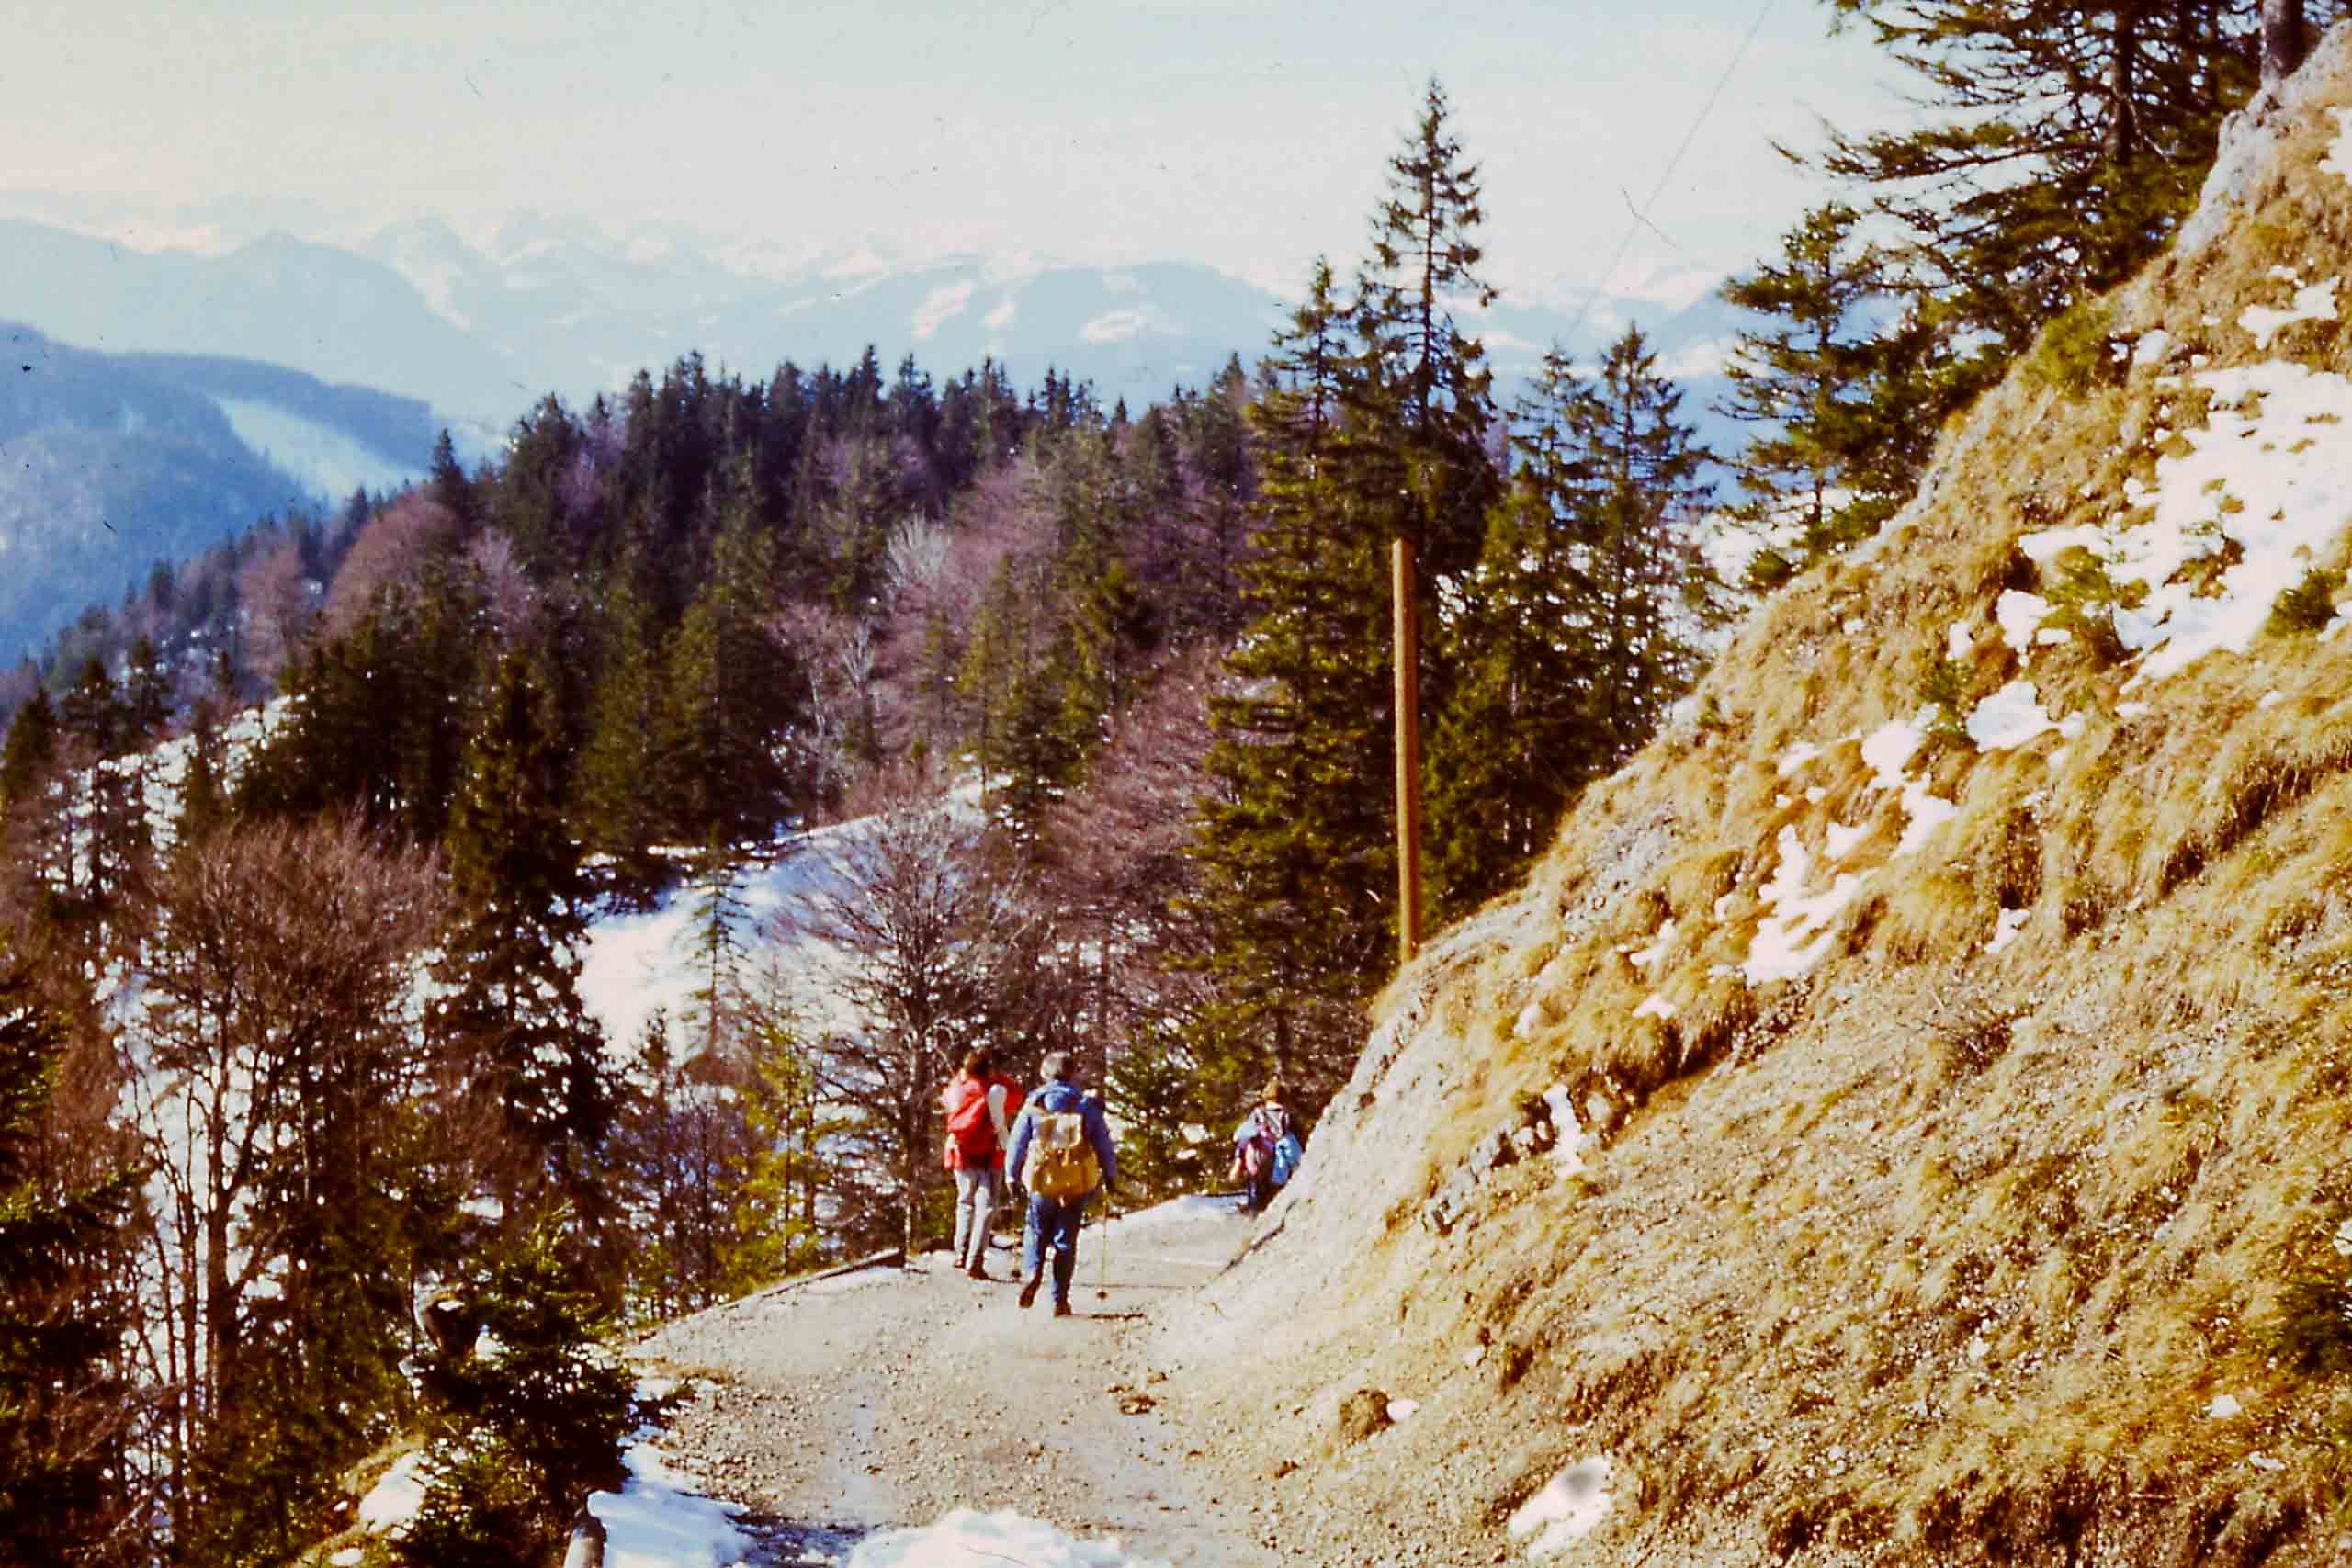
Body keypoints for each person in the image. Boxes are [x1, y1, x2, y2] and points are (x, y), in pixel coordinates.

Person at [1003, 1050, 1117, 1317]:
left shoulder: (1034, 1104)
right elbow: (1103, 1145)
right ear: (1072, 1073)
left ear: (1045, 1073)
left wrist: (1011, 1175)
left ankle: (1032, 1273)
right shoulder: (1085, 1106)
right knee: (1066, 1241)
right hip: (1075, 1184)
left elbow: (1017, 1143)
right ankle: (1060, 1300)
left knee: (1036, 1232)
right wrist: (1110, 1177)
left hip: (1042, 1182)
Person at [941, 1048, 1017, 1280]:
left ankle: (960, 1253)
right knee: (986, 1207)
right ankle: (975, 1260)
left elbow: (946, 1103)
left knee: (964, 1202)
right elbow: (1016, 1096)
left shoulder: (956, 1088)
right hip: (990, 1155)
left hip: (960, 1152)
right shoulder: (994, 1091)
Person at [1229, 1078, 1302, 1214]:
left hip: (1258, 1164)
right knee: (1273, 1200)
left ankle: (1253, 1220)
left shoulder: (1258, 1115)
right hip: (1278, 1169)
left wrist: (1238, 1164)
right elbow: (1297, 1146)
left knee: (1256, 1202)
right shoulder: (1288, 1118)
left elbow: (1242, 1138)